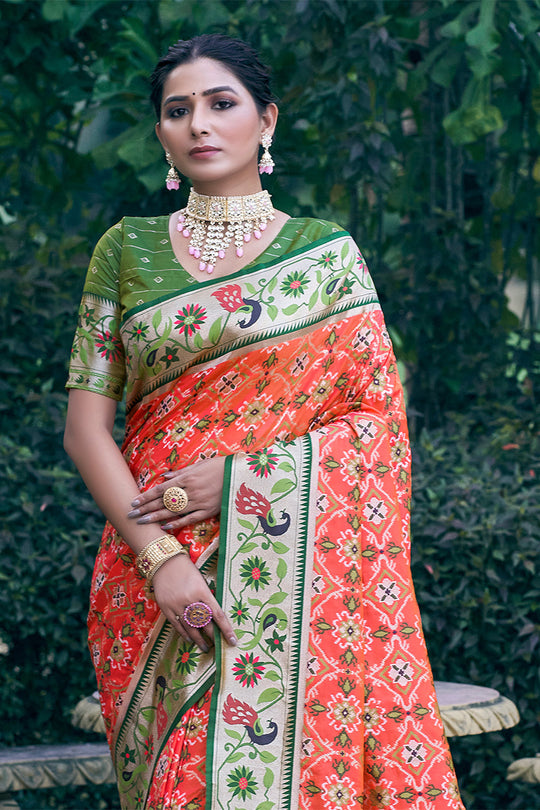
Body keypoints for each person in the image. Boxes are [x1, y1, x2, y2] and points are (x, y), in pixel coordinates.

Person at [65, 34, 464, 810]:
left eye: (222, 104)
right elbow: (86, 429)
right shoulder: (126, 250)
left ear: (266, 121)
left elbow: (377, 424)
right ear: (161, 136)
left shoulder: (325, 258)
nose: (199, 125)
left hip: (298, 582)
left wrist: (242, 482)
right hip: (153, 572)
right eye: (178, 111)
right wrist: (161, 563)